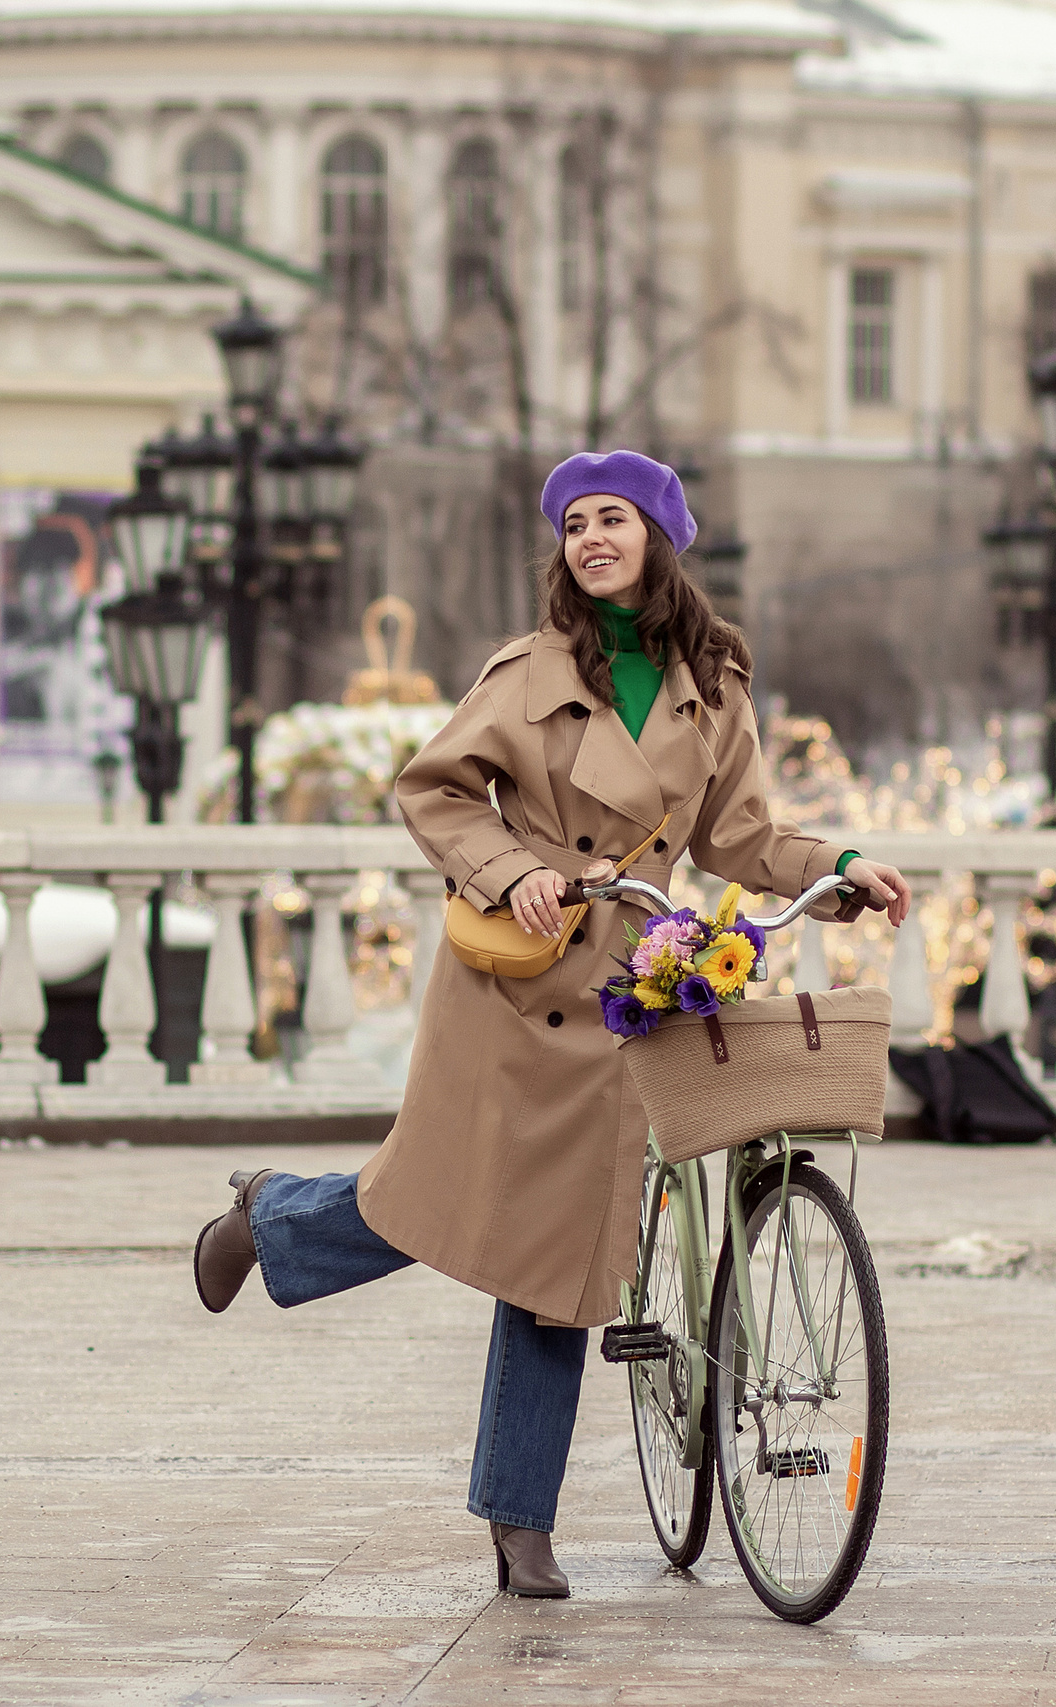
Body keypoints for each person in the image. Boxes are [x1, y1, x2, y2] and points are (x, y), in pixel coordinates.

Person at [190, 450, 912, 1599]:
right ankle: (270, 1217)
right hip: (519, 993)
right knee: (448, 1213)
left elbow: (739, 838)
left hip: (639, 984)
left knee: (557, 1257)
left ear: (660, 537)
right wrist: (508, 868)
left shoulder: (712, 684)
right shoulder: (527, 674)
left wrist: (843, 862)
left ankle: (516, 1517)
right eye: (574, 524)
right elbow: (433, 790)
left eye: (613, 519)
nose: (591, 538)